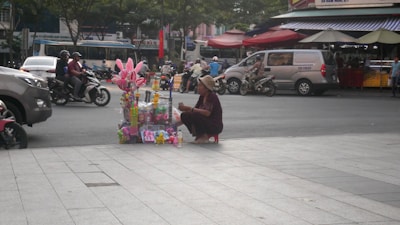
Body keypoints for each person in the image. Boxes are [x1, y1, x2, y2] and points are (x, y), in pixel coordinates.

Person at [178, 75, 223, 144]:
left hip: (214, 125)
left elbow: (207, 113)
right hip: (206, 122)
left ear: (206, 88)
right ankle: (199, 135)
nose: (198, 88)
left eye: (200, 86)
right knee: (185, 115)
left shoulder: (212, 97)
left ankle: (203, 136)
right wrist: (184, 108)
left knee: (195, 115)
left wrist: (190, 109)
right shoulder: (202, 97)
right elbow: (195, 109)